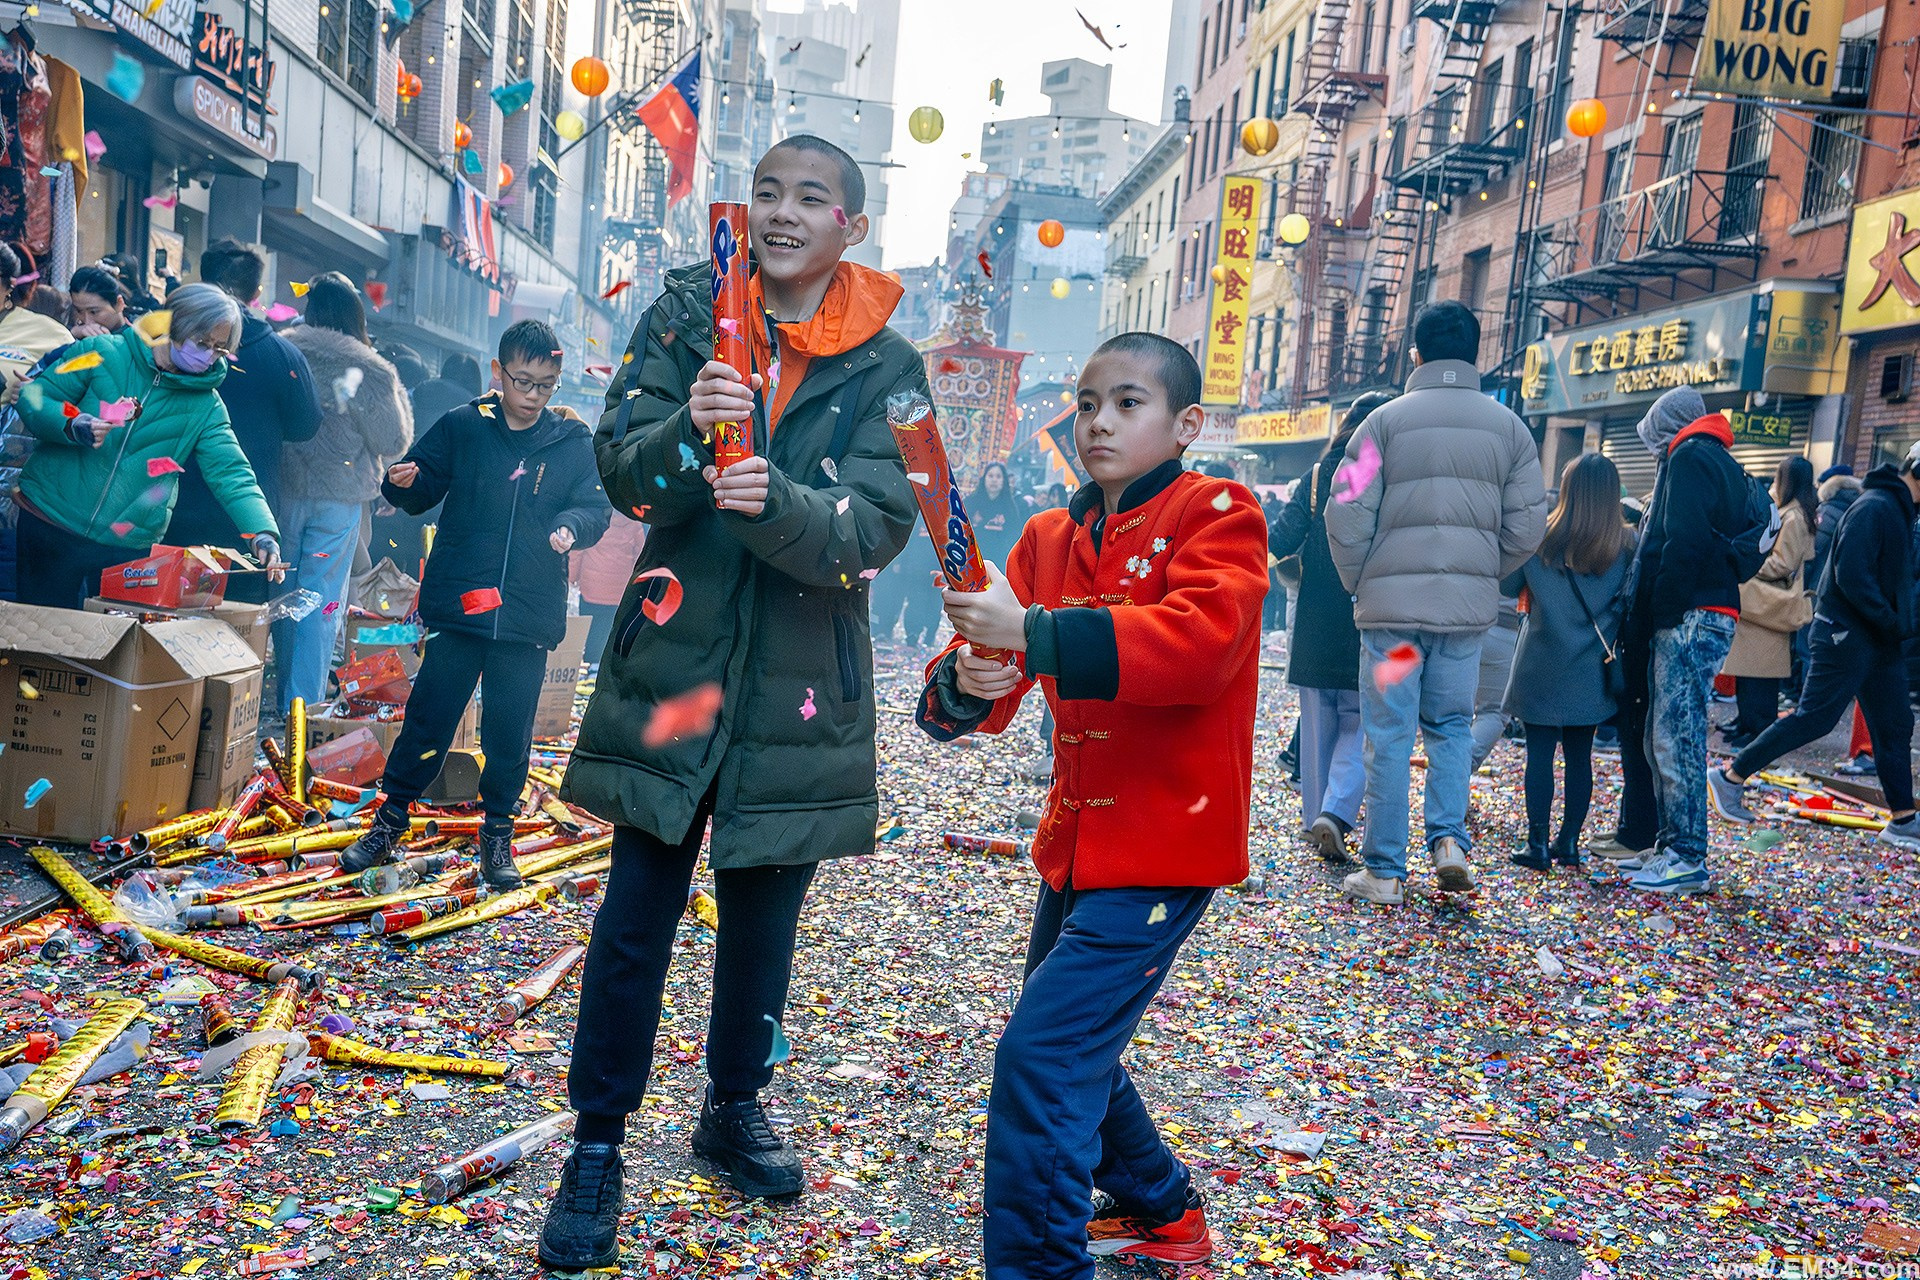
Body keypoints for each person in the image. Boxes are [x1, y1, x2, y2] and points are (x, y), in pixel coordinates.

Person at [537, 135, 927, 1271]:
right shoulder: (684, 313)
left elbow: (879, 525)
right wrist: (684, 434)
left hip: (803, 692)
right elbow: (623, 471)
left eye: (814, 196)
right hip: (674, 668)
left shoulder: (888, 364)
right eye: (768, 192)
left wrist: (775, 499)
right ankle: (598, 1141)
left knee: (764, 927)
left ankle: (732, 1104)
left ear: (851, 225)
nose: (785, 212)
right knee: (633, 921)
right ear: (742, 208)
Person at [916, 332, 1265, 1276]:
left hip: (1164, 847)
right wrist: (977, 672)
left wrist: (1030, 630)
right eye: (1087, 402)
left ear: (1187, 424)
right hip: (1075, 845)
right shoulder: (1048, 539)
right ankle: (1163, 1211)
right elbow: (981, 694)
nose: (1099, 421)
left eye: (1128, 403)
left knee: (1043, 1057)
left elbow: (1199, 647)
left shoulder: (1219, 512)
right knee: (1072, 1046)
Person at [340, 319, 608, 886]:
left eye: (546, 385)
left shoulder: (571, 441)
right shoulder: (465, 426)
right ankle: (390, 823)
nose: (533, 396)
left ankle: (497, 838)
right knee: (429, 719)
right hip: (459, 607)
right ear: (497, 372)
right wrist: (401, 482)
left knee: (510, 732)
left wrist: (570, 526)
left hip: (528, 613)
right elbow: (417, 488)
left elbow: (595, 507)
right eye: (523, 381)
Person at [1324, 300, 1547, 904]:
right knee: (1451, 728)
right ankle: (1449, 844)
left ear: (1415, 354)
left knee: (1390, 735)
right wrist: (1481, 573)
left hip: (1391, 624)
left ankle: (1386, 871)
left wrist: (1362, 580)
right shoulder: (1511, 430)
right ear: (1475, 353)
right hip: (1464, 620)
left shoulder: (1382, 425)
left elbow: (1343, 509)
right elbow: (1529, 526)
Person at [13, 283, 281, 607]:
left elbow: (232, 472)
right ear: (173, 325)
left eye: (220, 349)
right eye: (202, 342)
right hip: (51, 519)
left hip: (126, 542)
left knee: (108, 649)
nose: (208, 355)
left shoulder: (207, 406)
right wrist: (72, 423)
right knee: (39, 638)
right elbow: (37, 395)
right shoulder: (102, 352)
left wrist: (262, 531)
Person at [1708, 448, 1920, 852]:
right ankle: (1730, 776)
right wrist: (1894, 622)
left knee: (1894, 725)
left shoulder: (1893, 509)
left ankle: (1904, 819)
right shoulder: (1875, 508)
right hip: (1849, 633)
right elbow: (1851, 575)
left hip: (1875, 637)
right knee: (1815, 718)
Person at [1617, 388, 1774, 894]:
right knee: (1667, 731)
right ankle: (1672, 845)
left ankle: (1685, 854)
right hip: (1710, 611)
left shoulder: (1689, 458)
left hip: (1690, 614)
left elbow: (1682, 543)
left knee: (1675, 733)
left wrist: (1662, 610)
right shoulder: (1721, 460)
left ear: (1668, 426)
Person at [276, 272, 412, 712]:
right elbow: (392, 441)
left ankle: (282, 697)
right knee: (321, 601)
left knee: (284, 594)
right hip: (340, 497)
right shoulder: (370, 368)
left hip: (283, 490)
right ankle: (303, 704)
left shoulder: (284, 350)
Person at [1268, 391, 1393, 864]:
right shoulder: (1386, 476)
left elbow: (1280, 539)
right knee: (1360, 724)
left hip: (1316, 619)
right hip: (1368, 614)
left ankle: (1315, 818)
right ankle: (1336, 813)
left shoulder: (1318, 477)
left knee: (1318, 723)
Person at [167, 239, 325, 605]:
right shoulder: (282, 354)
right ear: (256, 292)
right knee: (233, 630)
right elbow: (306, 424)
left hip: (172, 504)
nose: (210, 357)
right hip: (245, 517)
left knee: (158, 620)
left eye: (219, 349)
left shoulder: (163, 342)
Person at [1503, 453, 1634, 871]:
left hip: (1540, 659)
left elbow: (1507, 584)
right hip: (1593, 665)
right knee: (1581, 755)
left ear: (1568, 488)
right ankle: (1570, 843)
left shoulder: (1540, 535)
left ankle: (1536, 843)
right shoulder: (1628, 544)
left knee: (1539, 753)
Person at [1721, 456, 1816, 746]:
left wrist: (1748, 560)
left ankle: (1757, 727)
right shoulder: (1791, 512)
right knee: (1749, 670)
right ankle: (1746, 721)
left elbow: (1783, 563)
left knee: (1760, 674)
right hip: (1764, 600)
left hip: (1767, 599)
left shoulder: (1794, 516)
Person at [570, 508, 647, 666]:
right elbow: (640, 555)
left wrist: (572, 577)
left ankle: (588, 665)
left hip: (590, 588)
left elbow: (578, 552)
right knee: (609, 630)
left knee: (590, 630)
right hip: (618, 591)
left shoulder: (595, 520)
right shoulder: (634, 523)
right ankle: (601, 666)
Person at [969, 460, 1027, 568]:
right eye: (990, 476)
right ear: (984, 479)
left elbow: (1014, 535)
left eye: (998, 476)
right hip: (973, 560)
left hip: (999, 562)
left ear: (1004, 481)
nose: (994, 480)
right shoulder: (970, 502)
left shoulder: (1010, 506)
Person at [66, 264, 129, 339]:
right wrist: (71, 335)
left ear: (119, 304)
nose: (87, 322)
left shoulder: (140, 337)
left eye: (94, 312)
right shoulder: (75, 334)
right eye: (79, 311)